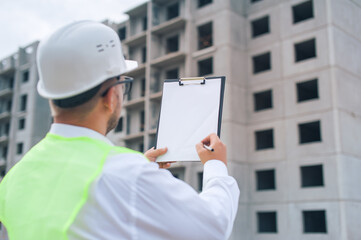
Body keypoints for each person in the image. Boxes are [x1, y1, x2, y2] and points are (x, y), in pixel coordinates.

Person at [0, 20, 239, 240]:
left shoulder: (15, 176)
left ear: (52, 97)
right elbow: (213, 228)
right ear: (112, 94)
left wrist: (141, 171)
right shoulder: (128, 175)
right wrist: (215, 166)